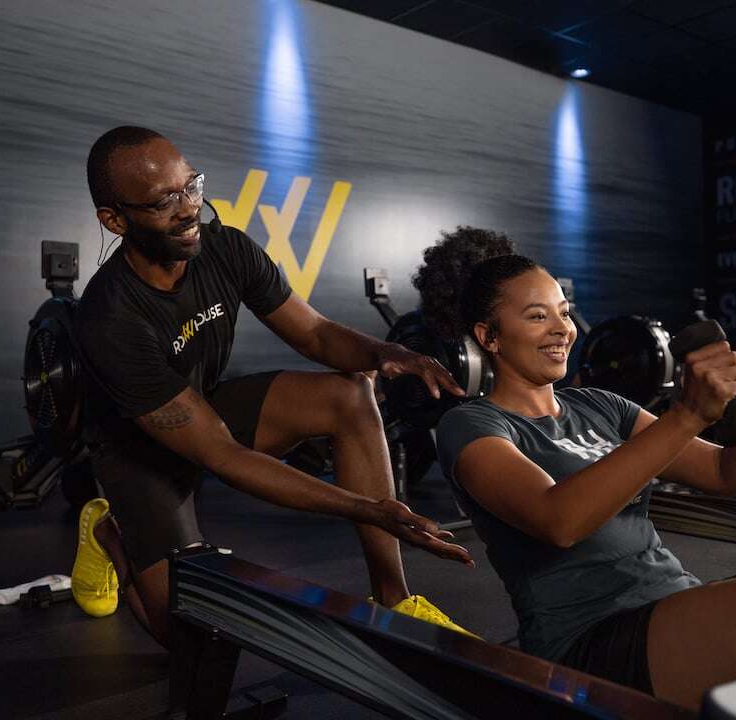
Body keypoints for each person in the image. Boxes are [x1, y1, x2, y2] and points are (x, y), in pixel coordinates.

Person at [420, 227, 736, 711]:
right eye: (536, 316)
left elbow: (723, 471)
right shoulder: (472, 425)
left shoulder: (600, 406)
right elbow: (559, 521)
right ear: (490, 336)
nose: (561, 330)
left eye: (564, 313)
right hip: (593, 641)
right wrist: (687, 414)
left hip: (674, 601)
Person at [71, 126, 474, 648]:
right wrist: (369, 507)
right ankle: (111, 532)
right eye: (164, 201)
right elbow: (221, 454)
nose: (189, 208)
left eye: (191, 185)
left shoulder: (226, 249)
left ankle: (396, 601)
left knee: (350, 393)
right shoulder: (110, 317)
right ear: (114, 219)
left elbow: (315, 333)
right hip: (138, 455)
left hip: (203, 411)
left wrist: (388, 353)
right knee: (188, 642)